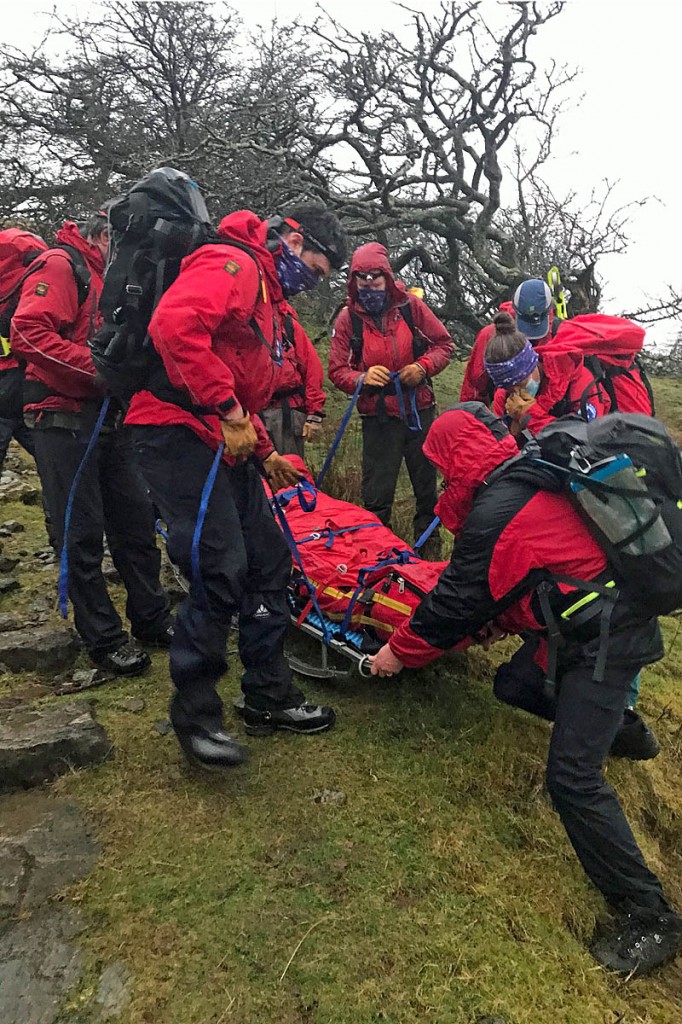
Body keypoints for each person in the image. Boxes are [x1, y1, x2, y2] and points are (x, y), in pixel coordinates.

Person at [369, 403, 682, 977]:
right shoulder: (531, 472)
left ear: (453, 460)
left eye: (440, 465)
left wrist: (398, 653)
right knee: (513, 684)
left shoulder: (503, 508)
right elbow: (530, 577)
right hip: (593, 623)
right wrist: (494, 623)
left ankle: (650, 913)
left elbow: (457, 602)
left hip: (604, 642)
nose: (439, 477)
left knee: (572, 779)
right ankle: (624, 731)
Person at [126, 204, 348, 770]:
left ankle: (267, 695)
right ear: (293, 240)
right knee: (220, 564)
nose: (314, 281)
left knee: (270, 560)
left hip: (219, 436)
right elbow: (174, 327)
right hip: (174, 431)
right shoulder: (234, 264)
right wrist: (227, 410)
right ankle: (196, 718)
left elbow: (243, 382)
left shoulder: (270, 298)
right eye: (317, 268)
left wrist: (269, 455)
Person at [11, 211, 173, 675]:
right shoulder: (62, 266)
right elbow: (28, 331)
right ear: (104, 235)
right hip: (60, 416)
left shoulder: (116, 280)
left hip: (110, 418)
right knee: (80, 532)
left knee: (136, 523)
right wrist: (98, 370)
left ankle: (152, 618)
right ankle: (102, 638)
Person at [328, 243, 454, 553]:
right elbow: (336, 370)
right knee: (377, 498)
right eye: (363, 281)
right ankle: (377, 560)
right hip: (378, 418)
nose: (369, 287)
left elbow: (444, 345)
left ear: (387, 277)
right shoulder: (348, 319)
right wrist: (361, 379)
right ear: (354, 281)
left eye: (375, 280)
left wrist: (421, 368)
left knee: (426, 493)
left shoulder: (411, 308)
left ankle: (430, 556)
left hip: (418, 411)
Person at [484, 311, 608, 439]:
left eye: (520, 383)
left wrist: (529, 415)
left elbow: (585, 439)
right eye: (509, 388)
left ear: (533, 364)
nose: (517, 392)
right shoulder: (503, 397)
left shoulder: (578, 380)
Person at [460, 279, 556, 405]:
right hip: (506, 411)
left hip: (550, 415)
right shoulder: (491, 337)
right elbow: (474, 391)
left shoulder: (561, 335)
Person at [259, 302, 325, 457]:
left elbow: (312, 369)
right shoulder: (237, 323)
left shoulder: (287, 325)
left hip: (286, 413)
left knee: (289, 473)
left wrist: (314, 414)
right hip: (248, 414)